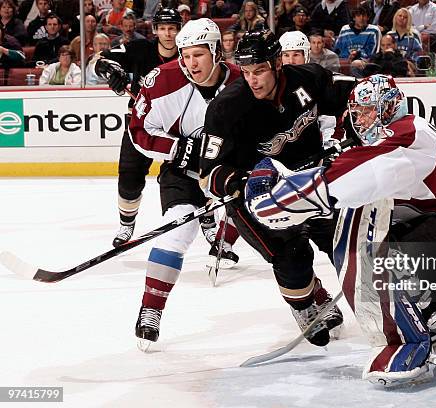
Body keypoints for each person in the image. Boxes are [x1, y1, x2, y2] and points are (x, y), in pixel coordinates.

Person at [244, 74, 436, 386]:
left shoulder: (404, 136)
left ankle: (405, 343)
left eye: (367, 111)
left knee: (367, 246)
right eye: (356, 113)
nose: (360, 120)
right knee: (380, 229)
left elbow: (346, 183)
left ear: (388, 109)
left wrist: (273, 201)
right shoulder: (408, 132)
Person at [200, 30, 353, 347]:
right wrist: (242, 181)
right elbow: (208, 175)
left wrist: (352, 136)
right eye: (246, 72)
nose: (252, 80)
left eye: (259, 71)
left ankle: (378, 300)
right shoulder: (226, 108)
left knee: (345, 242)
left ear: (276, 64)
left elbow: (350, 100)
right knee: (292, 254)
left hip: (310, 180)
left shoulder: (308, 78)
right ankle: (305, 304)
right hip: (257, 197)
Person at [127, 18, 241, 349]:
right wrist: (177, 148)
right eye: (185, 55)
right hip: (182, 173)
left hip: (227, 170)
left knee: (270, 227)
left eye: (198, 55)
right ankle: (151, 309)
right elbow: (139, 131)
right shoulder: (164, 81)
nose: (191, 64)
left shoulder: (242, 80)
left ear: (217, 51)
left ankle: (310, 299)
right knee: (177, 228)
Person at [94, 8, 197, 248]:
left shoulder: (189, 55)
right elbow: (102, 60)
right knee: (129, 177)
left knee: (188, 177)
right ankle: (126, 223)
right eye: (163, 28)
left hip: (179, 127)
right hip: (141, 125)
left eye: (172, 28)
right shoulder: (140, 49)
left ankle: (209, 224)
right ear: (155, 30)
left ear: (180, 29)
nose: (168, 34)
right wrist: (111, 72)